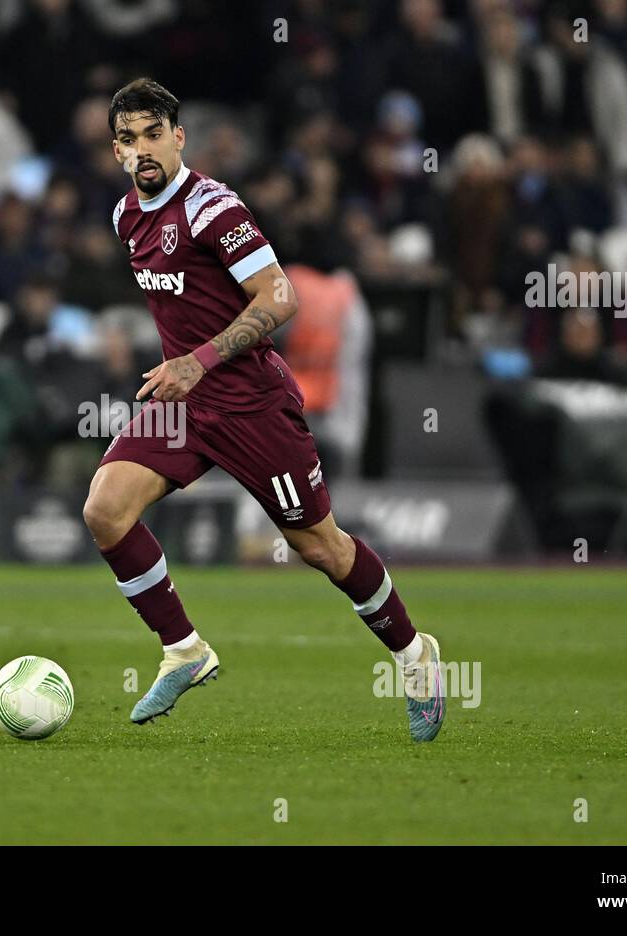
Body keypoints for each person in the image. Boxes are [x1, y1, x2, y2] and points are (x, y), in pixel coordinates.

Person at [86, 79, 444, 740]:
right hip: (187, 406)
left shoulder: (214, 209)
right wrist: (185, 370)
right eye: (129, 139)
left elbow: (280, 300)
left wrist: (200, 359)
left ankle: (415, 656)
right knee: (105, 509)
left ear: (179, 136)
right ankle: (185, 651)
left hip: (250, 404)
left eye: (154, 134)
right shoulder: (124, 217)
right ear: (115, 150)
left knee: (320, 547)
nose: (143, 149)